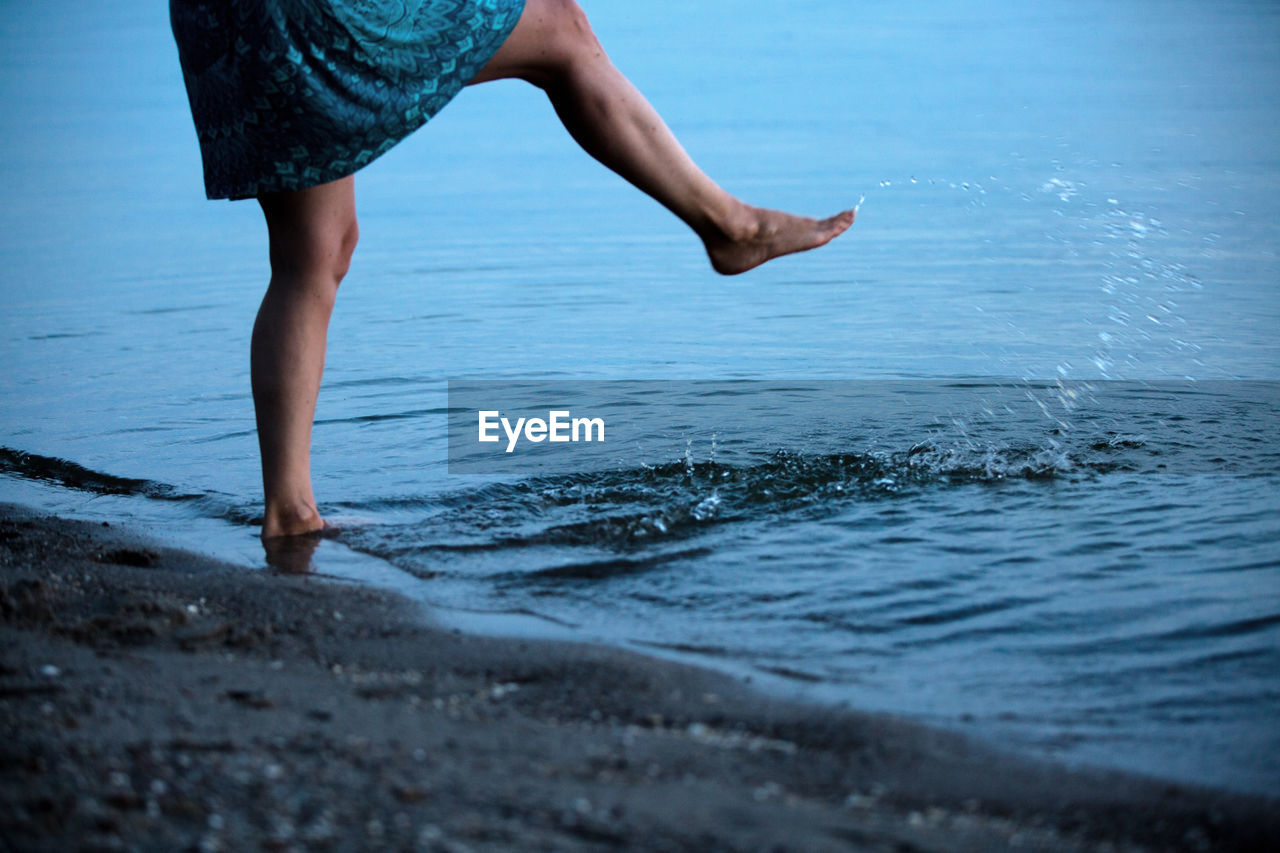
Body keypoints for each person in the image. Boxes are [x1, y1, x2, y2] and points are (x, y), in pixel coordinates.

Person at [171, 0, 855, 541]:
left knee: (314, 251)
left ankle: (290, 511)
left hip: (223, 17)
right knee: (559, 28)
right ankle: (731, 227)